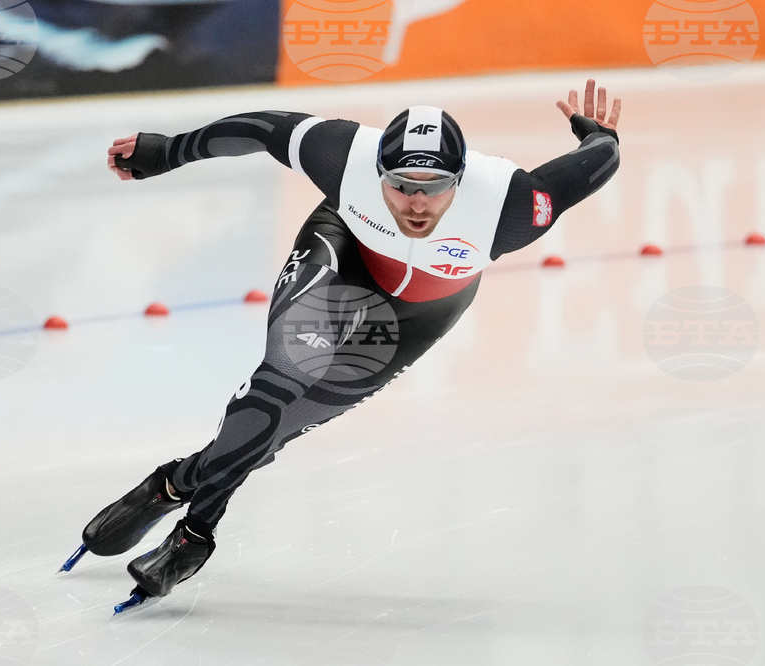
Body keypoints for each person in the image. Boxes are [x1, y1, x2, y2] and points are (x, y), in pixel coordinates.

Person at [59, 79, 622, 613]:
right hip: (342, 257)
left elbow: (598, 163)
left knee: (284, 422)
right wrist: (168, 151)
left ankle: (171, 484)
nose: (416, 204)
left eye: (434, 189)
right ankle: (194, 536)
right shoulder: (344, 153)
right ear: (375, 170)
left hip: (418, 313)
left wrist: (599, 134)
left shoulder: (512, 204)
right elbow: (262, 127)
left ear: (461, 178)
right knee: (275, 384)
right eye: (400, 185)